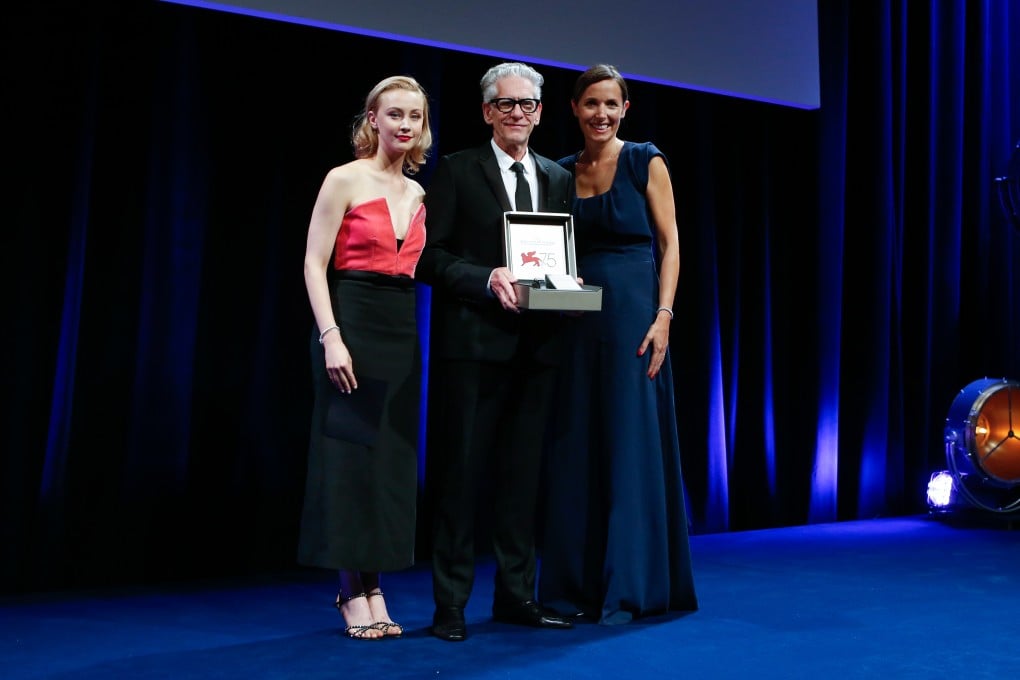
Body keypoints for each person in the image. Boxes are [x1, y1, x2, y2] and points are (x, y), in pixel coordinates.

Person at [416, 61, 575, 641]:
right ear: (487, 112)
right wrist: (486, 277)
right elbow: (427, 258)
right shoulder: (457, 170)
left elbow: (560, 263)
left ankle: (515, 595)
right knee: (460, 480)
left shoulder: (557, 178)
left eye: (526, 105)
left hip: (538, 353)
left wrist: (569, 289)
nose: (516, 114)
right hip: (473, 350)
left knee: (520, 481)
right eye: (505, 104)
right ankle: (450, 605)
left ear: (539, 112)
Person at [538, 64, 699, 625]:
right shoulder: (558, 171)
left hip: (634, 317)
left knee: (629, 447)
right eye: (590, 104)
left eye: (611, 104)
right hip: (574, 323)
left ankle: (632, 586)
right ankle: (572, 588)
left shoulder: (644, 159)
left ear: (624, 108)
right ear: (574, 109)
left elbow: (670, 242)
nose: (600, 114)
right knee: (576, 447)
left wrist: (664, 316)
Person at [297, 75, 433, 641]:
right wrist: (331, 335)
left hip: (401, 333)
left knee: (389, 468)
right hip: (350, 323)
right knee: (349, 463)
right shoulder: (343, 179)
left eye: (416, 117)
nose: (405, 124)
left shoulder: (419, 193)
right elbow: (312, 263)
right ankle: (351, 589)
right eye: (395, 114)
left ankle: (376, 586)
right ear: (372, 119)